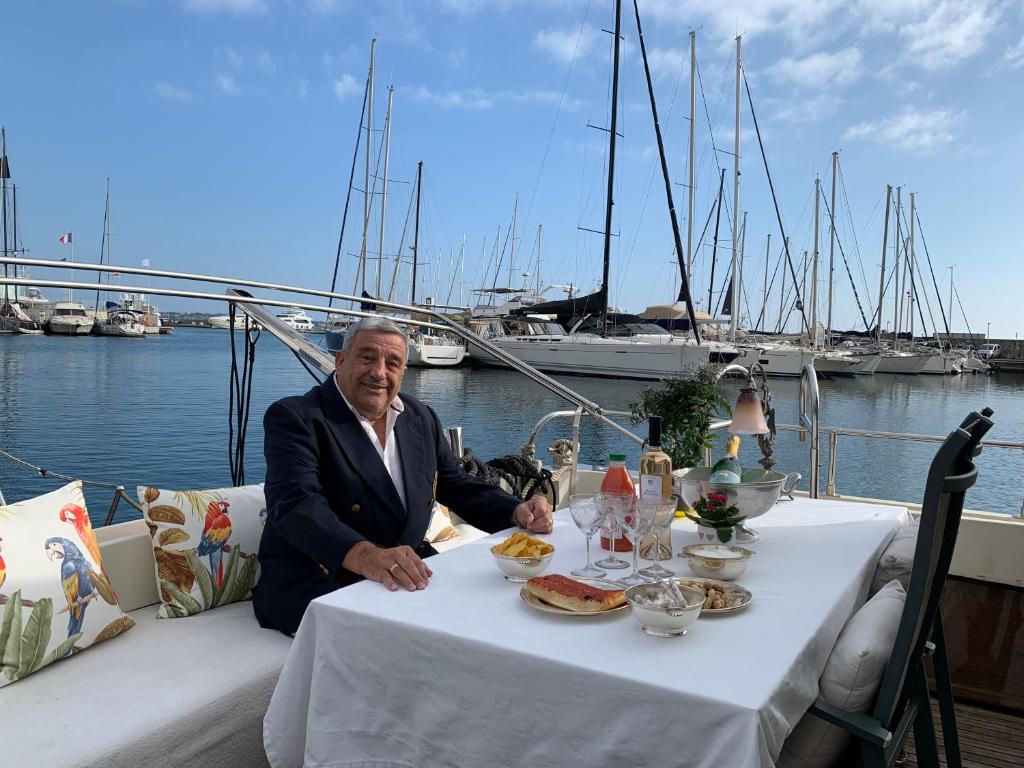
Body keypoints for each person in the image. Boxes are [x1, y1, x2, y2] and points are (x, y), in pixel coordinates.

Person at [253, 316, 553, 634]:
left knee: (508, 609)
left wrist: (516, 510)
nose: (379, 372)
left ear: (403, 372)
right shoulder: (297, 417)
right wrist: (366, 556)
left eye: (392, 363)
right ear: (340, 361)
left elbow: (455, 484)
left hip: (405, 571)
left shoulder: (420, 417)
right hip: (319, 578)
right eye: (367, 357)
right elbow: (297, 504)